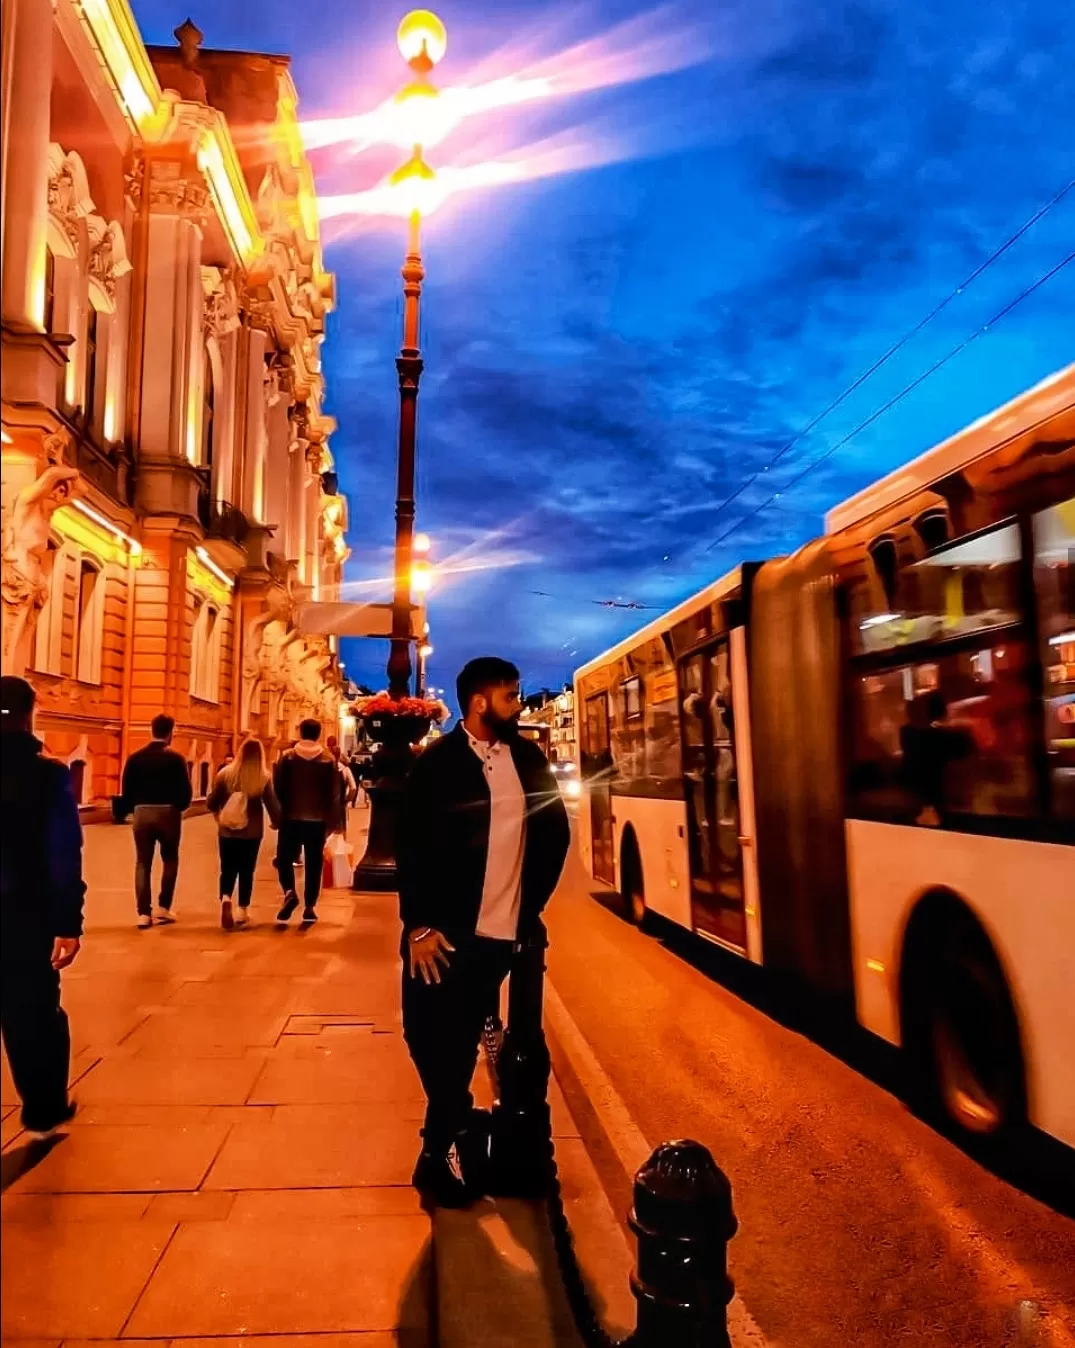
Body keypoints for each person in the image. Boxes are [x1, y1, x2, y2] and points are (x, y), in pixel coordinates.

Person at [397, 657, 571, 1208]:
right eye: (511, 697)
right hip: (443, 934)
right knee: (426, 1036)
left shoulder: (527, 759)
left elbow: (554, 836)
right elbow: (412, 847)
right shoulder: (438, 764)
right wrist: (418, 924)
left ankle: (439, 1152)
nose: (517, 705)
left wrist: (529, 910)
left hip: (502, 934)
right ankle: (450, 1132)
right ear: (480, 702)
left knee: (462, 1037)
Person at [0, 676, 85, 1137]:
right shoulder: (47, 774)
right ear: (31, 712)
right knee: (33, 1013)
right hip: (23, 915)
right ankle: (43, 1109)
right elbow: (62, 852)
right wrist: (68, 922)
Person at [120, 713, 193, 927]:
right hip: (168, 812)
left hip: (142, 812)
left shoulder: (135, 758)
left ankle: (143, 913)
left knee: (143, 862)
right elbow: (185, 790)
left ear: (152, 730)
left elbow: (127, 789)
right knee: (170, 859)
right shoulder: (176, 759)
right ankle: (163, 907)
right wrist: (179, 807)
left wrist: (132, 809)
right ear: (170, 733)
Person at [273, 718, 343, 924]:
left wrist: (279, 814)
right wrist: (333, 820)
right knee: (314, 863)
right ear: (318, 734)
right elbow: (335, 793)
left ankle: (289, 892)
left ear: (301, 732)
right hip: (317, 820)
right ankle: (310, 906)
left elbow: (277, 787)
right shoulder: (328, 759)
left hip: (290, 818)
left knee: (284, 859)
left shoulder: (287, 757)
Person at [207, 737, 282, 930]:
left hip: (226, 830)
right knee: (247, 870)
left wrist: (218, 808)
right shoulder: (263, 777)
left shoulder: (225, 774)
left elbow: (212, 802)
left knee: (227, 867)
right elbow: (272, 805)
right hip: (252, 832)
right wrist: (277, 822)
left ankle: (225, 898)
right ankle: (242, 909)